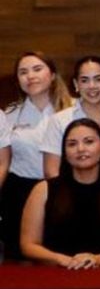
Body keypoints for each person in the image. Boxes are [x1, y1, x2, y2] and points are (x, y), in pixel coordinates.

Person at [19, 119, 100, 269]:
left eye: (89, 142)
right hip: (54, 276)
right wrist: (63, 260)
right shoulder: (43, 190)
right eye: (72, 144)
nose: (80, 149)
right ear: (65, 153)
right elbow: (28, 245)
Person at [3, 52, 74, 259]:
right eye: (23, 72)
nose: (30, 76)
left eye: (37, 69)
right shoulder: (10, 115)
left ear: (52, 74)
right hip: (19, 193)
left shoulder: (74, 109)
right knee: (19, 258)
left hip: (64, 190)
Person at [43, 56, 100, 179]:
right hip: (70, 192)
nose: (92, 86)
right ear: (76, 84)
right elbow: (51, 171)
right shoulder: (60, 121)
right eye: (84, 80)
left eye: (98, 79)